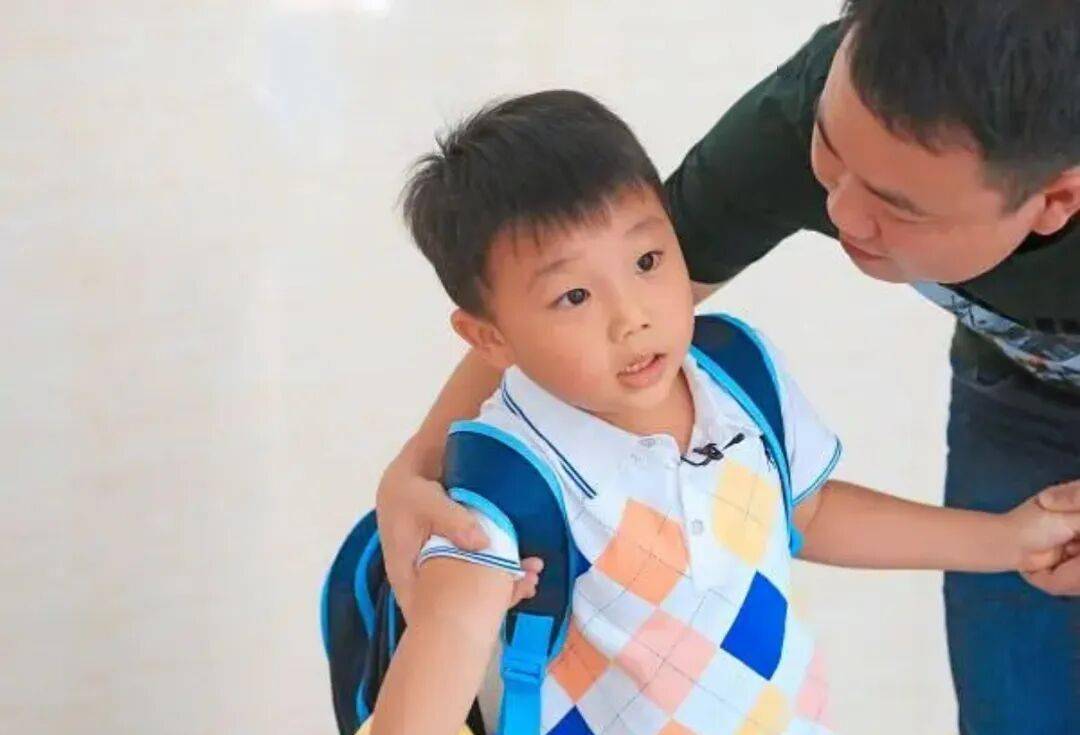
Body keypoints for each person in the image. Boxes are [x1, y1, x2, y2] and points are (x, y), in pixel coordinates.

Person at [376, 3, 1080, 732]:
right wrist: (418, 464)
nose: (839, 210)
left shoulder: (735, 384)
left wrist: (1002, 539)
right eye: (830, 151)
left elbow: (803, 512)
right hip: (1019, 386)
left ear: (1056, 200)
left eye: (897, 207)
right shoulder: (506, 489)